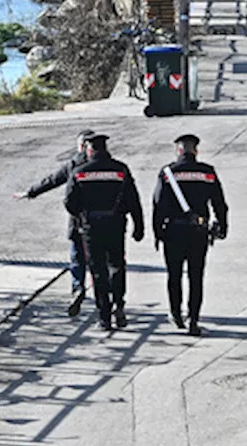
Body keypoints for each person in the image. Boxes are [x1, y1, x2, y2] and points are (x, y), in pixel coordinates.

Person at [64, 134, 144, 331]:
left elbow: (69, 202)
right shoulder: (120, 169)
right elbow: (133, 199)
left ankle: (104, 316)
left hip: (91, 227)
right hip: (116, 224)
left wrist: (82, 214)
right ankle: (119, 304)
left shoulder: (80, 172)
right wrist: (138, 225)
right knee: (117, 265)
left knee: (98, 270)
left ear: (89, 150)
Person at [14, 129, 97, 316]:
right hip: (103, 221)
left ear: (82, 146)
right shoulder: (105, 165)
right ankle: (105, 296)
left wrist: (30, 192)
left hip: (78, 221)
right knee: (100, 259)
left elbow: (52, 180)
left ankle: (77, 288)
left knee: (77, 258)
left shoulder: (73, 165)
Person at [152, 134, 228, 336]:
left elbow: (158, 205)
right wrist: (222, 226)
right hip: (198, 231)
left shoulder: (168, 173)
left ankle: (176, 314)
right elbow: (219, 203)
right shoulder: (207, 172)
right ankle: (193, 319)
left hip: (173, 232)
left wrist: (157, 232)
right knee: (196, 276)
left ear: (178, 151)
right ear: (196, 151)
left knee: (174, 275)